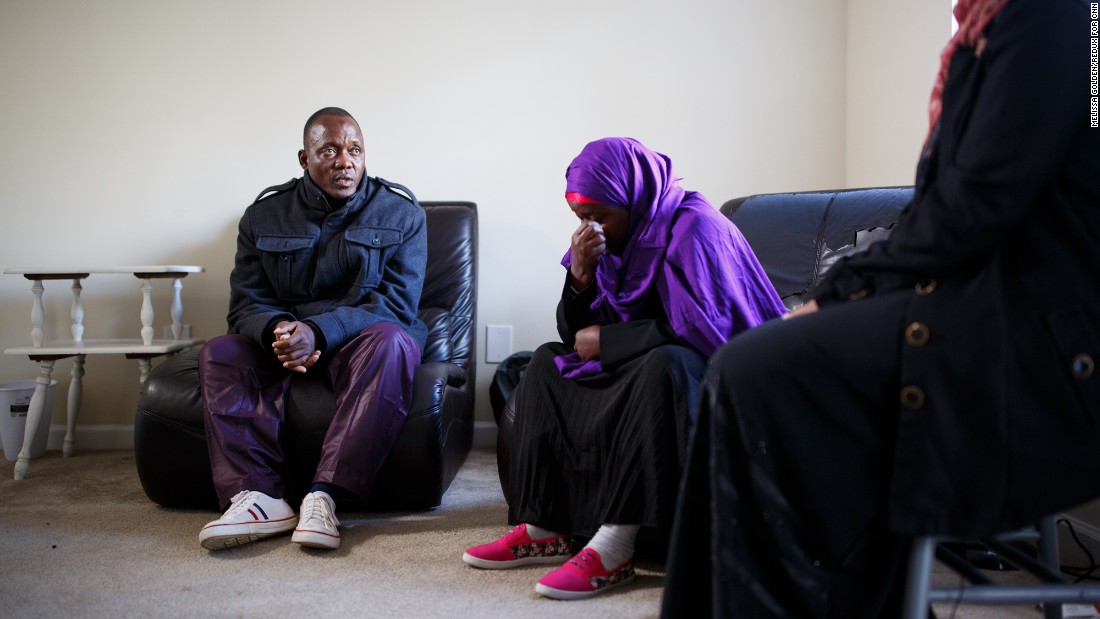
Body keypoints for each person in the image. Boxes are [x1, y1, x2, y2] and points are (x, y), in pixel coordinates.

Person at [661, 0, 1100, 616]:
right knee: (748, 366)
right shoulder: (991, 29)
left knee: (753, 370)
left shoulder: (1053, 15)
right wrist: (841, 292)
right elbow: (940, 206)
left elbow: (979, 201)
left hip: (1039, 331)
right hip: (987, 302)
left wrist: (834, 296)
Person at [462, 137, 786, 599]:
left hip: (701, 369)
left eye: (600, 216)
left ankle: (615, 548)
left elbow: (708, 329)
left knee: (664, 364)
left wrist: (610, 341)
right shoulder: (607, 244)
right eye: (580, 218)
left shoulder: (698, 228)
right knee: (545, 361)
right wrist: (579, 276)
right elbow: (573, 334)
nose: (590, 228)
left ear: (634, 199)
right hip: (636, 361)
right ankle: (542, 528)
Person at [196, 107, 427, 551]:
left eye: (355, 150)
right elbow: (246, 305)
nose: (345, 161)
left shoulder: (402, 214)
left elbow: (396, 306)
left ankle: (326, 497)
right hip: (285, 345)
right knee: (220, 351)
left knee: (394, 341)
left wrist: (317, 333)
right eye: (330, 151)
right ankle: (258, 497)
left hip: (362, 340)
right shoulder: (264, 215)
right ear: (304, 159)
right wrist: (280, 331)